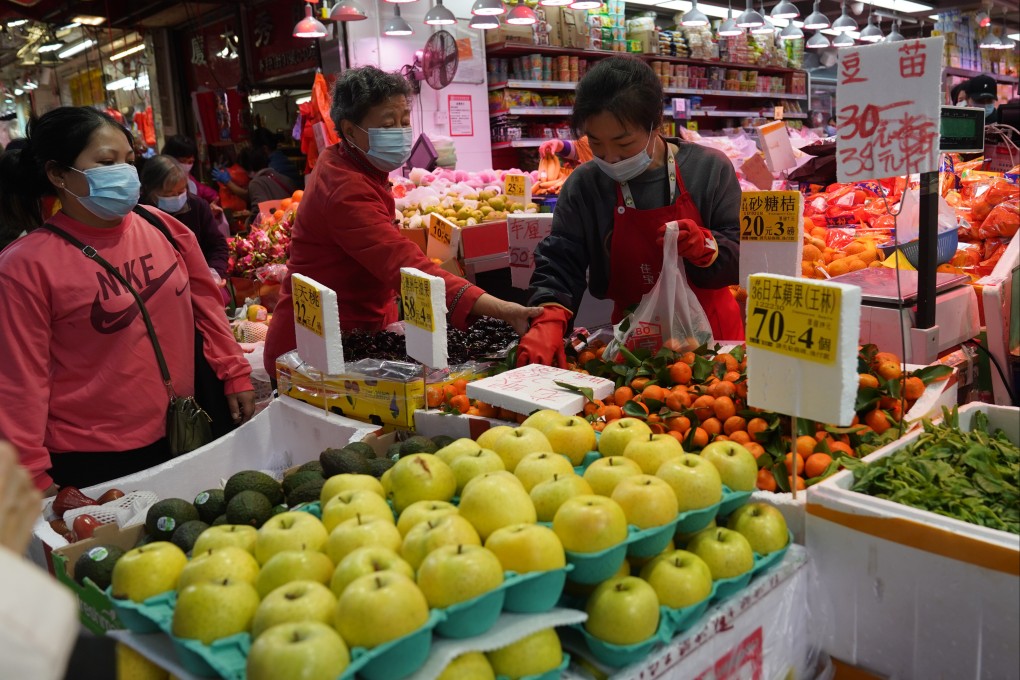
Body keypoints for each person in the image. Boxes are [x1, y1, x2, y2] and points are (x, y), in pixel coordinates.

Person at [0, 107, 255, 494]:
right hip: (94, 459)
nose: (124, 172)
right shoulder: (24, 267)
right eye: (106, 161)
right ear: (58, 174)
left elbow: (206, 305)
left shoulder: (161, 225)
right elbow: (19, 382)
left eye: (128, 160)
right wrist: (31, 474)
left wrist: (233, 371)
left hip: (185, 429)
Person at [263, 66, 540, 374]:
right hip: (314, 350)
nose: (400, 131)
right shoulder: (344, 188)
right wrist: (502, 309)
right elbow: (403, 264)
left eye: (404, 121)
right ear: (351, 129)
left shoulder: (353, 164)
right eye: (387, 123)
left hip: (352, 337)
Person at [518, 56, 743, 368]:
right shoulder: (585, 185)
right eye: (596, 144)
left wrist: (708, 248)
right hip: (634, 342)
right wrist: (549, 314)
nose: (610, 157)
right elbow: (560, 259)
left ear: (654, 125)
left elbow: (743, 254)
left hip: (714, 343)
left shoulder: (709, 169)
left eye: (624, 144)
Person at [140, 155, 230, 279]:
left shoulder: (197, 206)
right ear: (150, 192)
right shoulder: (139, 215)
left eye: (181, 191)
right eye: (169, 194)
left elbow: (217, 245)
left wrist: (215, 272)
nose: (177, 197)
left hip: (200, 279)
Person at [161, 134, 220, 206]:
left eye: (190, 162)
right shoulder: (159, 182)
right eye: (182, 161)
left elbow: (213, 196)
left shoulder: (191, 182)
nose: (186, 165)